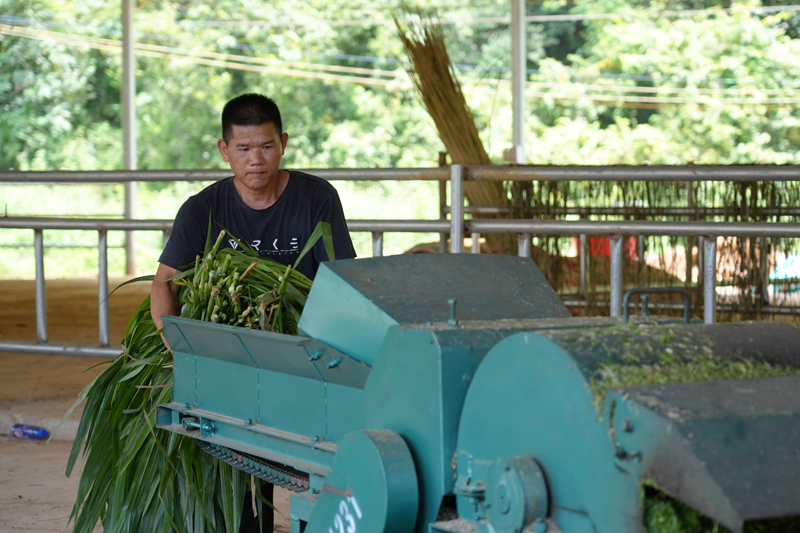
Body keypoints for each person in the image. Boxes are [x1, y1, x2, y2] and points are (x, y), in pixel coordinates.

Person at [150, 92, 356, 532]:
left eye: (265, 146)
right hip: (225, 353)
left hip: (301, 347)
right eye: (243, 149)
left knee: (315, 449)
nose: (256, 159)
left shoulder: (316, 197)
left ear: (283, 143)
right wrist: (179, 346)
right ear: (225, 151)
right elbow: (164, 283)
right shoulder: (203, 209)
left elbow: (341, 281)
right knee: (228, 453)